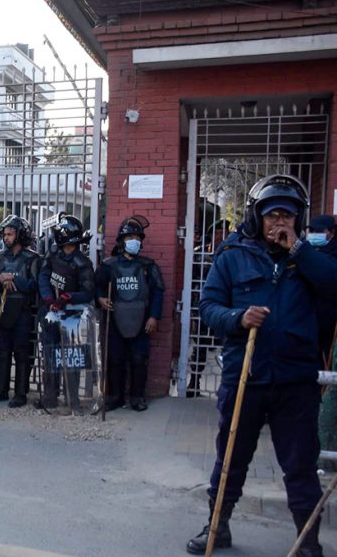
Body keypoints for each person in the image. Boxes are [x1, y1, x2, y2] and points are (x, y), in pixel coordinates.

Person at [187, 174, 334, 557]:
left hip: (295, 382)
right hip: (245, 377)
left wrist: (298, 250)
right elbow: (208, 307)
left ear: (299, 219)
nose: (279, 222)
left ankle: (307, 542)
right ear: (257, 217)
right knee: (231, 460)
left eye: (287, 215)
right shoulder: (232, 256)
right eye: (272, 215)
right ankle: (217, 526)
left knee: (300, 467)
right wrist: (238, 318)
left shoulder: (312, 259)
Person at [95, 216, 165, 412]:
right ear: (121, 241)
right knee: (115, 359)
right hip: (115, 320)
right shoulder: (109, 266)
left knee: (139, 359)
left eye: (137, 237)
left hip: (141, 320)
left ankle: (137, 397)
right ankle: (115, 397)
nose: (134, 241)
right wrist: (100, 298)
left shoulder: (148, 266)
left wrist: (154, 316)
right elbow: (97, 286)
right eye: (130, 237)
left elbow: (158, 292)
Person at [37, 213, 95, 411]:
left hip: (72, 318)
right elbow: (43, 276)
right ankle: (50, 397)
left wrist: (67, 297)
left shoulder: (83, 263)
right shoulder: (53, 252)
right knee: (50, 355)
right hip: (51, 314)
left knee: (71, 357)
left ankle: (72, 400)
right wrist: (48, 298)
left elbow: (88, 293)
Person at [0, 215, 41, 408]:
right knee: (2, 351)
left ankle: (20, 393)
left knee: (22, 352)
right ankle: (0, 390)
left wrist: (14, 279)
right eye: (4, 235)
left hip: (23, 311)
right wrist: (0, 280)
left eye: (10, 234)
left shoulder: (32, 259)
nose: (6, 238)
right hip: (2, 309)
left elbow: (35, 285)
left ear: (20, 235)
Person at [307, 214, 337, 370]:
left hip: (329, 315)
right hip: (308, 314)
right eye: (311, 231)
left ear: (331, 233)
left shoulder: (333, 254)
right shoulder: (306, 250)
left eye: (319, 231)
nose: (314, 234)